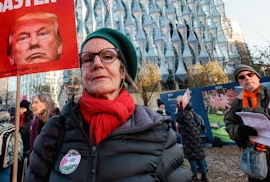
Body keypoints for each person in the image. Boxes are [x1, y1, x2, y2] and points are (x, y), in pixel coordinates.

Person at [25, 28, 190, 181]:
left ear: (122, 71)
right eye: (88, 59)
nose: (97, 63)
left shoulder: (157, 132)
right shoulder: (54, 132)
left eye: (108, 56)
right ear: (82, 73)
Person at [224, 64, 270, 181]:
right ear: (239, 82)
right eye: (242, 77)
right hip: (253, 155)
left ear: (257, 77)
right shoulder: (237, 103)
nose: (247, 78)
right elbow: (229, 123)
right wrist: (239, 130)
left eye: (249, 74)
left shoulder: (268, 95)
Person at [176, 97, 208, 182]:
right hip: (196, 136)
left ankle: (195, 176)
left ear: (181, 102)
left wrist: (179, 109)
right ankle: (204, 175)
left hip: (188, 138)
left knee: (192, 157)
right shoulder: (191, 110)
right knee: (200, 156)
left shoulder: (181, 111)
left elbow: (177, 119)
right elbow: (198, 122)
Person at [18, 99, 33, 182]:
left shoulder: (30, 122)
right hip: (18, 153)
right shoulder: (17, 120)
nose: (21, 110)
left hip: (25, 153)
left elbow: (30, 138)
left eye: (23, 108)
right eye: (20, 108)